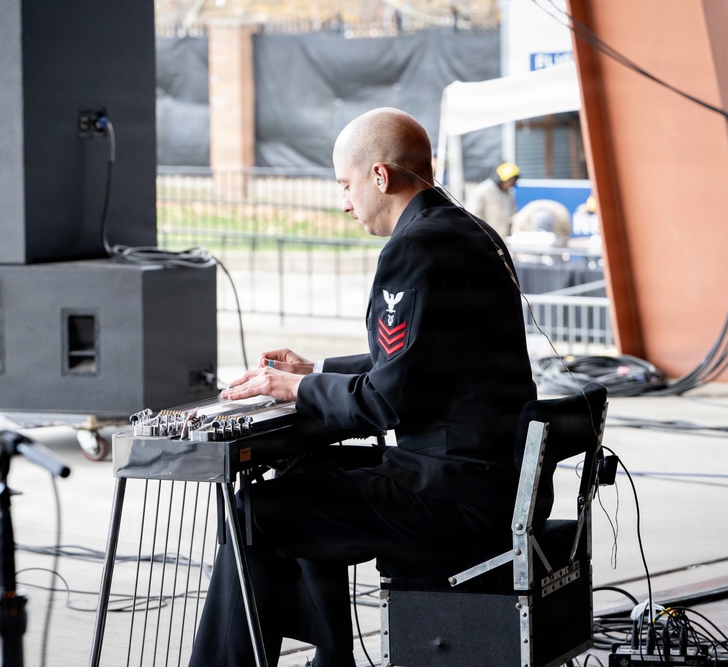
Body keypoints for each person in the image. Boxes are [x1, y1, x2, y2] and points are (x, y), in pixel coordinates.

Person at [188, 108, 536, 667]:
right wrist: (313, 372)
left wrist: (291, 391)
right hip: (488, 477)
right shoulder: (470, 230)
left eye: (346, 186)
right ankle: (330, 660)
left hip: (451, 489)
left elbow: (385, 401)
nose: (344, 202)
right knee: (311, 476)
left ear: (380, 176)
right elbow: (416, 360)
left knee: (253, 512)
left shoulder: (414, 247)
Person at [465, 161, 519, 238]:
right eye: (509, 180)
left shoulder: (508, 194)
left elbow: (511, 216)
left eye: (513, 181)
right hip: (487, 239)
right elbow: (473, 216)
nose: (510, 184)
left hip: (503, 239)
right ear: (499, 179)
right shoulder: (483, 191)